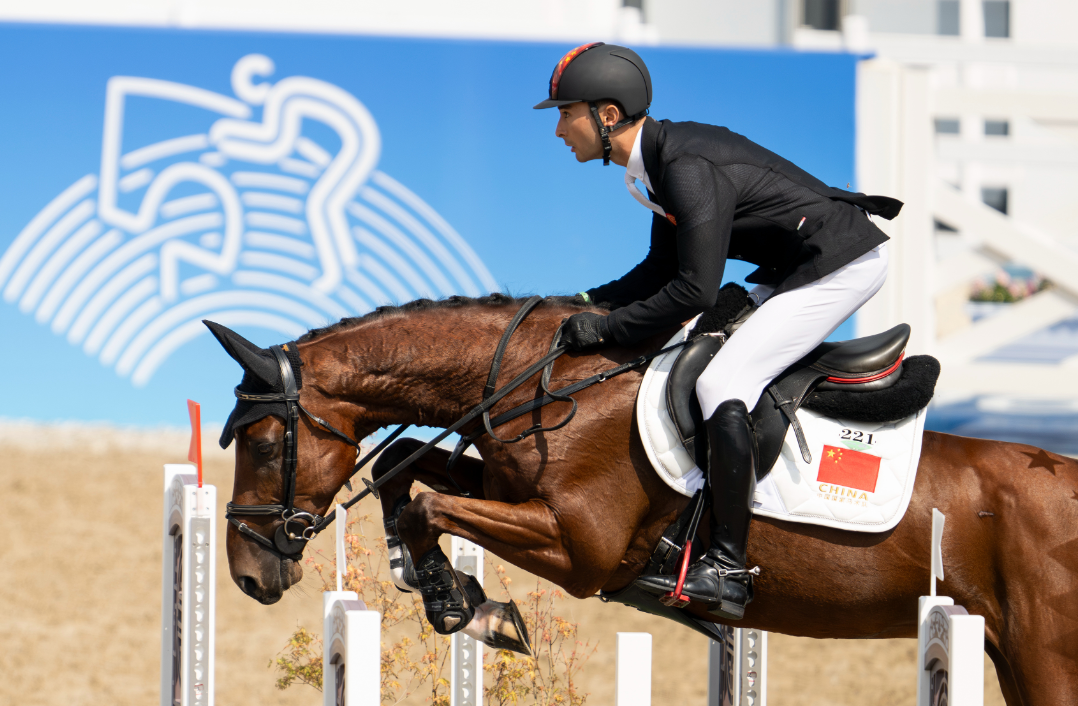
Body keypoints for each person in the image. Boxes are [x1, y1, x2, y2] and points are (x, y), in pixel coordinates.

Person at [534, 42, 901, 620]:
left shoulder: (682, 167)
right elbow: (659, 271)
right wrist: (577, 303)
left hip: (841, 263)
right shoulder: (653, 166)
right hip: (796, 265)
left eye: (564, 112)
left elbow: (693, 292)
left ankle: (729, 566)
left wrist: (602, 332)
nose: (557, 130)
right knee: (694, 360)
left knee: (722, 381)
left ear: (607, 116)